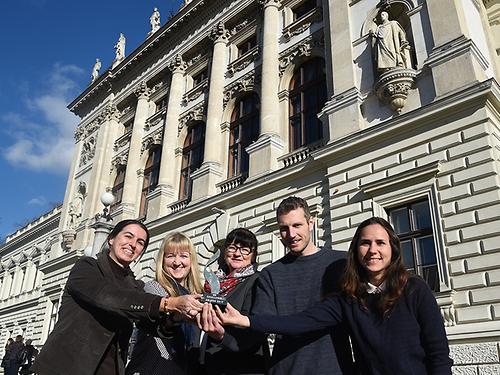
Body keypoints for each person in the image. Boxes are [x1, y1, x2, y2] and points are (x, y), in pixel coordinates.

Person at [218, 217, 454, 375]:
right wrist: (246, 320)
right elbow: (299, 321)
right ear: (356, 251)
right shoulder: (349, 299)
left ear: (392, 248)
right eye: (365, 243)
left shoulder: (415, 289)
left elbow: (439, 354)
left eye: (380, 243)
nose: (373, 250)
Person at [31, 219, 203, 375]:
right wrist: (168, 303)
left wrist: (174, 319)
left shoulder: (136, 286)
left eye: (140, 242)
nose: (133, 244)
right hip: (66, 367)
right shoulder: (87, 267)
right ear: (111, 239)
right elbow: (106, 297)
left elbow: (151, 326)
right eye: (128, 236)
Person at [245, 196, 353, 375]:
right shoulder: (271, 274)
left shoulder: (342, 262)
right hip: (286, 368)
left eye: (297, 225)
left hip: (335, 367)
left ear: (311, 223)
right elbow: (264, 323)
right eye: (284, 228)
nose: (291, 234)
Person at [126, 232, 204, 375]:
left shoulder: (194, 294)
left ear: (191, 261)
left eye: (183, 256)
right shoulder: (154, 287)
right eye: (170, 256)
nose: (177, 262)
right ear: (162, 260)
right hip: (152, 366)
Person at [198, 228, 269, 375]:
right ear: (224, 253)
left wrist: (222, 336)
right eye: (232, 248)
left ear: (253, 255)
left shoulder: (257, 280)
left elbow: (258, 327)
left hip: (243, 366)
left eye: (244, 249)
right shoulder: (213, 284)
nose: (237, 254)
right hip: (212, 364)